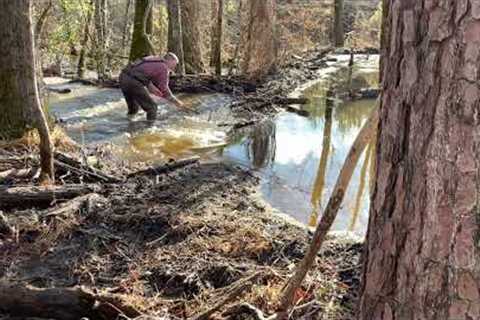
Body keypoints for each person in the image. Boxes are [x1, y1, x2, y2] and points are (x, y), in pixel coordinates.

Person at [119, 52, 186, 121]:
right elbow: (164, 89)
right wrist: (176, 102)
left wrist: (149, 85)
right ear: (169, 60)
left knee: (133, 109)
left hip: (123, 77)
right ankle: (149, 128)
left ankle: (128, 125)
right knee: (152, 107)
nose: (174, 67)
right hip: (133, 82)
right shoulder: (164, 67)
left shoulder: (153, 59)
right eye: (174, 64)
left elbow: (142, 72)